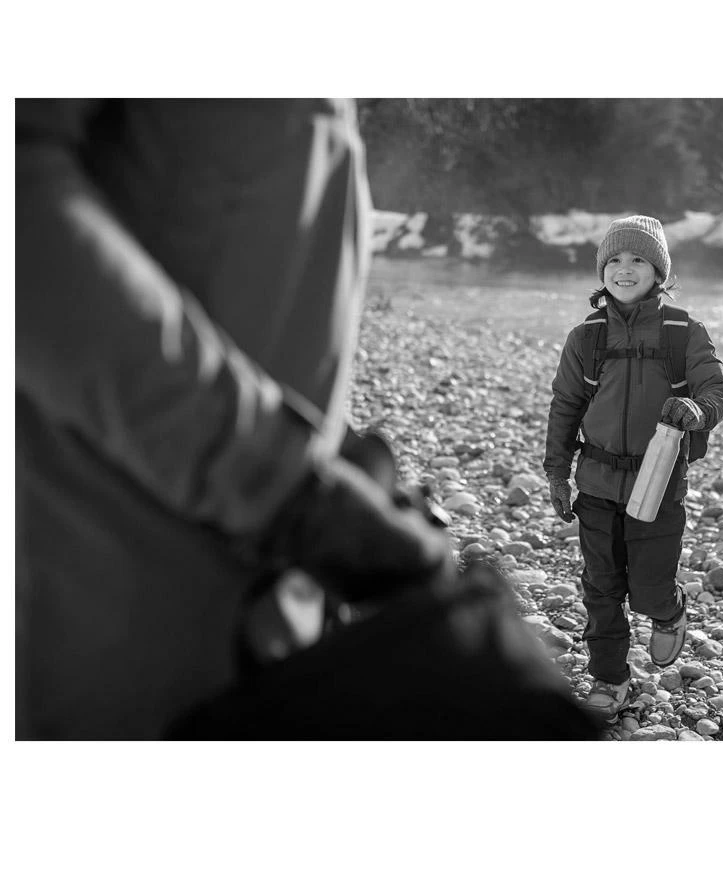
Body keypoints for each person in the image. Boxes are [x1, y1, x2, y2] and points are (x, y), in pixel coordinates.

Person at [16, 99, 599, 740]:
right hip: (115, 613)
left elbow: (245, 276)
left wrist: (336, 469)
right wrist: (289, 490)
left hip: (256, 602)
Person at [543, 215, 723, 723]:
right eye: (614, 260)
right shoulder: (585, 337)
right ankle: (610, 680)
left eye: (637, 260)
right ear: (601, 270)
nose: (624, 269)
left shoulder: (683, 333)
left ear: (659, 272)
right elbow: (565, 406)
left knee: (649, 589)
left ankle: (668, 611)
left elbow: (720, 390)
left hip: (659, 485)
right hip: (596, 485)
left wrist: (697, 409)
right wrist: (557, 473)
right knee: (601, 588)